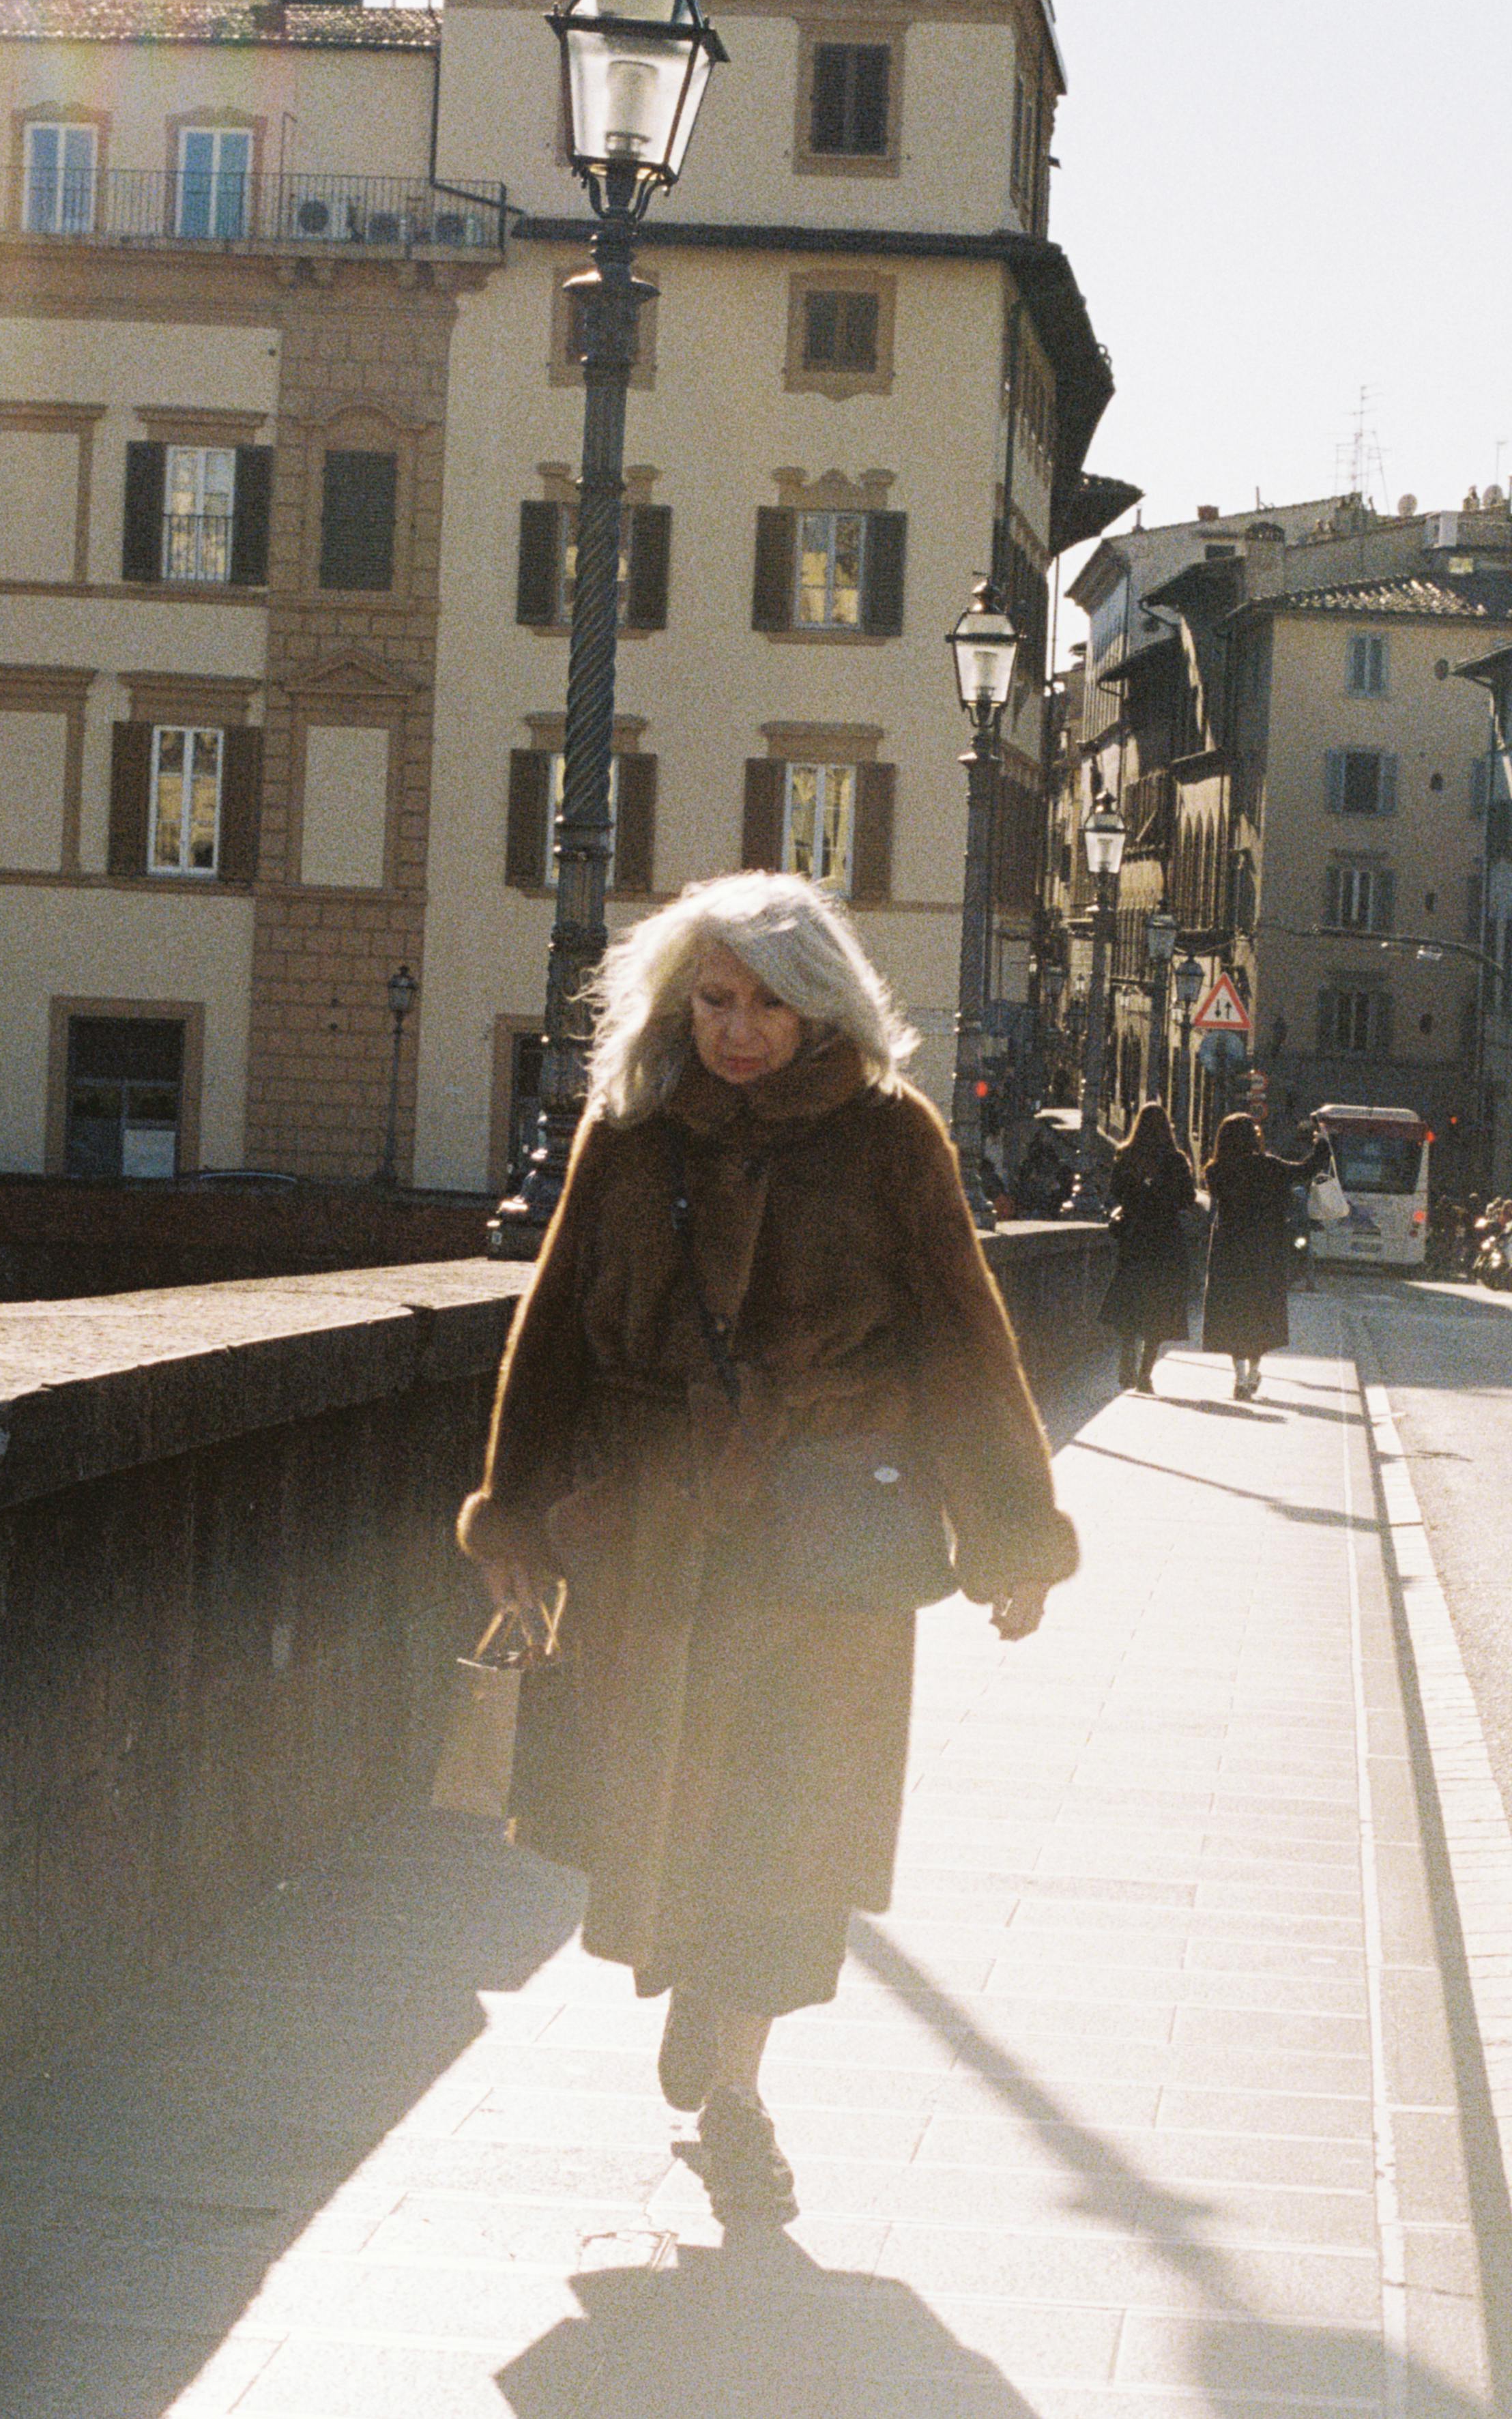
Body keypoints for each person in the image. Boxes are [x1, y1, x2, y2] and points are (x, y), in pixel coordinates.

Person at [456, 872, 1078, 2231]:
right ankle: (697, 1980)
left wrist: (1013, 1535)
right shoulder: (628, 1135)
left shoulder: (893, 1137)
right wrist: (515, 1519)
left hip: (829, 1538)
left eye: (768, 1003)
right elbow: (554, 1328)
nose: (739, 1031)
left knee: (795, 1825)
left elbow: (965, 1343)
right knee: (672, 1801)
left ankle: (738, 2091)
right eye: (716, 1001)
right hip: (655, 1540)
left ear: (822, 1002)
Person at [1202, 1110, 1330, 1401]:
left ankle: (1238, 1376)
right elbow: (1306, 1169)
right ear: (1253, 1137)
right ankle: (1253, 1373)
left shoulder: (1216, 1170)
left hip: (1229, 1249)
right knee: (1260, 1311)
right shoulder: (1270, 1167)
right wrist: (1321, 1141)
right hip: (1265, 1249)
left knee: (1233, 1311)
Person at [1099, 1102, 1198, 1392]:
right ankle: (1145, 1374)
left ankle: (1126, 1364)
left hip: (1135, 1238)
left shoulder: (1126, 1155)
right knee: (1158, 1308)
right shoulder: (1176, 1160)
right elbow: (1188, 1199)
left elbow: (1116, 1191)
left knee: (1131, 1302)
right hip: (1165, 1240)